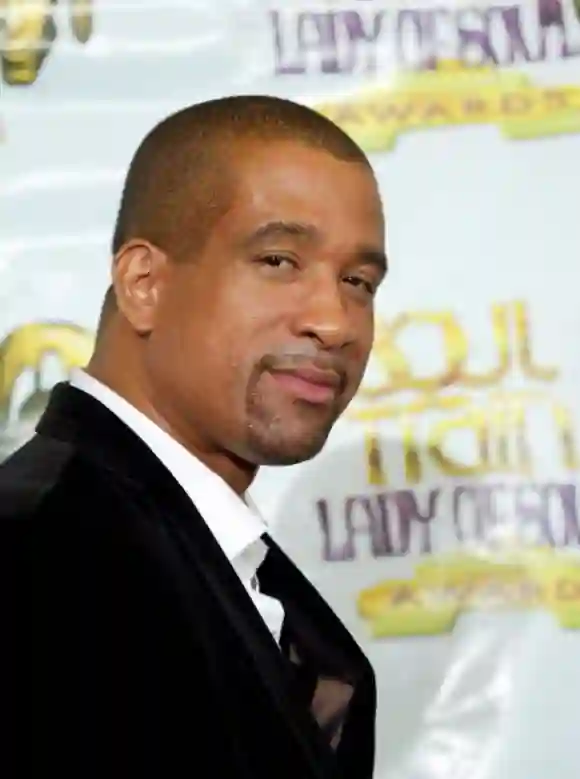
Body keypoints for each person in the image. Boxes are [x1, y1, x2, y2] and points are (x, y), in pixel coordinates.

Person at [0, 95, 387, 777]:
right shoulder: (43, 555)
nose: (336, 320)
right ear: (144, 283)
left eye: (357, 280)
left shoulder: (199, 557)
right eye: (277, 260)